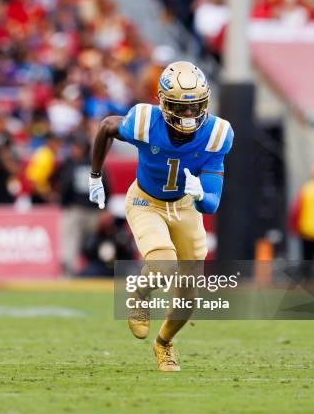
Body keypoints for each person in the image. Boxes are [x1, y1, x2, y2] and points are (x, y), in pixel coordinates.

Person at [88, 60, 234, 372]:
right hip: (146, 201)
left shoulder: (216, 134)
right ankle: (139, 296)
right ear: (164, 104)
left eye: (196, 107)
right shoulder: (144, 121)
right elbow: (105, 127)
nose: (190, 115)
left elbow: (211, 204)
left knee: (189, 296)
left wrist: (199, 193)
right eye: (182, 108)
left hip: (183, 205)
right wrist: (95, 175)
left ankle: (164, 344)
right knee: (163, 263)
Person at [57, 136, 110, 275]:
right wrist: (104, 208)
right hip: (93, 211)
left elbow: (65, 185)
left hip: (76, 210)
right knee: (88, 244)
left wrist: (63, 203)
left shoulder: (70, 164)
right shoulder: (96, 164)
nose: (73, 150)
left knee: (71, 240)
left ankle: (71, 272)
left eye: (75, 147)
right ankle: (92, 271)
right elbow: (106, 187)